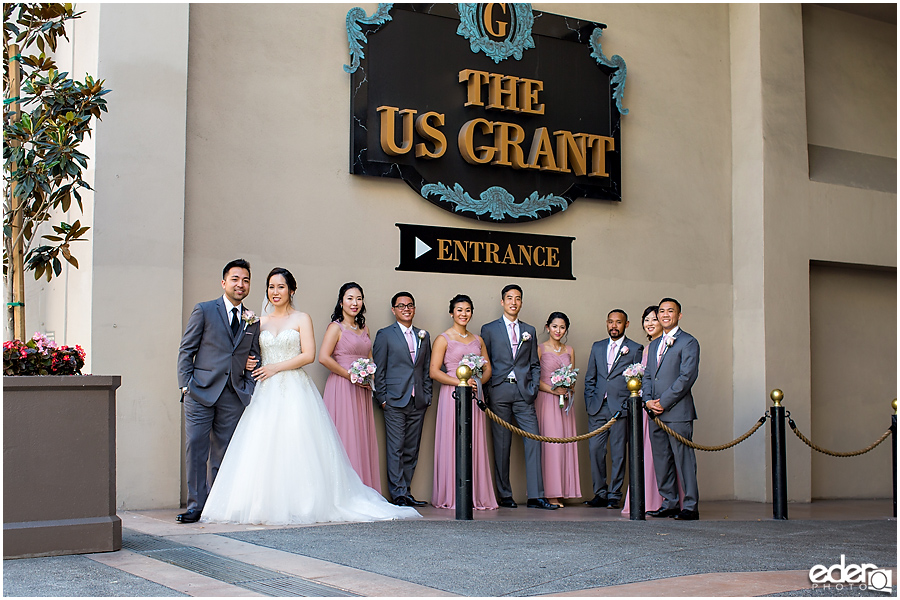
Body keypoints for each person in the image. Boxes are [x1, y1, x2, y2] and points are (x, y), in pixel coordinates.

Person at [200, 268, 420, 524]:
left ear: (292, 290)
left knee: (298, 444)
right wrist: (251, 362)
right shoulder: (258, 321)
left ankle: (302, 503)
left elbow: (309, 355)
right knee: (264, 447)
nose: (275, 292)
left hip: (294, 387)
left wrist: (275, 367)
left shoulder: (302, 318)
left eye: (281, 287)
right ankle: (263, 503)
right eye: (271, 287)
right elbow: (250, 353)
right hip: (265, 390)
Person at [176, 259, 261, 524]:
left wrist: (246, 385)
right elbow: (186, 349)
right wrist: (186, 385)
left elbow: (254, 356)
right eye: (235, 279)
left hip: (233, 395)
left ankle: (217, 504)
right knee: (197, 449)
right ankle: (196, 506)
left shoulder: (252, 320)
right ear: (224, 282)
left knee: (224, 452)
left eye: (245, 280)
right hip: (200, 392)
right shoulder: (204, 310)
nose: (241, 284)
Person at [481, 284, 557, 510]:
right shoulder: (489, 329)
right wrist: (489, 391)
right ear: (502, 302)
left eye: (518, 298)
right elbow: (486, 361)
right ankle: (505, 495)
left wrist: (533, 388)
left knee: (534, 440)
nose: (514, 302)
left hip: (524, 392)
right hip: (499, 390)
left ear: (521, 303)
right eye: (509, 298)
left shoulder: (529, 330)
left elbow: (534, 363)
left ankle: (536, 496)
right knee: (501, 444)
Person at [431, 294, 497, 510]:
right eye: (459, 310)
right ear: (452, 313)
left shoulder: (478, 340)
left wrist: (477, 382)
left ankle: (476, 494)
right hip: (453, 395)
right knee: (454, 440)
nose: (463, 314)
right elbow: (433, 371)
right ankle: (452, 494)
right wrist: (460, 382)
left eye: (467, 310)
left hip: (475, 395)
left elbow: (487, 368)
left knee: (474, 442)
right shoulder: (443, 339)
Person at [372, 292, 433, 507]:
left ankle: (407, 491)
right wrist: (383, 398)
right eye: (401, 305)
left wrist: (427, 396)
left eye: (409, 305)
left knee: (411, 449)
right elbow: (379, 368)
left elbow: (425, 369)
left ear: (414, 308)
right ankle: (397, 493)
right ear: (393, 310)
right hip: (395, 401)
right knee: (395, 447)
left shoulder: (423, 335)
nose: (406, 309)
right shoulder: (385, 335)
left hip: (418, 401)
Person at [622, 305, 683, 516]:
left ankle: (666, 500)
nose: (649, 323)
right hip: (646, 406)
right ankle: (654, 499)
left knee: (666, 454)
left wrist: (659, 401)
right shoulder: (647, 348)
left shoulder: (672, 345)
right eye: (646, 320)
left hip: (663, 407)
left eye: (654, 319)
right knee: (652, 453)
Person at [319, 282, 381, 492]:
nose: (355, 303)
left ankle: (363, 488)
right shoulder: (335, 327)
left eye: (359, 299)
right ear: (341, 302)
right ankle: (342, 490)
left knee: (361, 437)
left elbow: (369, 357)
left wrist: (369, 375)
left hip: (361, 388)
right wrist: (350, 375)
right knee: (345, 435)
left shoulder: (364, 329)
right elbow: (324, 358)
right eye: (350, 298)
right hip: (342, 387)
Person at [645, 297, 700, 520]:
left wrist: (663, 402)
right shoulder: (655, 344)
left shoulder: (688, 342)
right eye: (661, 311)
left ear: (679, 315)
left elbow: (687, 377)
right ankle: (669, 502)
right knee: (661, 459)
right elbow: (648, 375)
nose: (665, 314)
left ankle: (690, 506)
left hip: (677, 412)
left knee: (684, 460)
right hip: (654, 412)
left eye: (670, 311)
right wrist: (648, 400)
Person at [583, 309, 644, 509]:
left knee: (618, 454)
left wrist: (627, 406)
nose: (613, 326)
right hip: (598, 408)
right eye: (610, 322)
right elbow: (590, 378)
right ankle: (600, 493)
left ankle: (614, 495)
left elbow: (638, 380)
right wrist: (590, 402)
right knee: (595, 450)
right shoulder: (597, 346)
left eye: (618, 322)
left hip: (621, 409)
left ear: (626, 325)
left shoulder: (635, 348)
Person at [535, 312, 581, 508]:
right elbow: (534, 379)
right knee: (550, 445)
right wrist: (554, 390)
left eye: (562, 327)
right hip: (546, 400)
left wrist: (568, 387)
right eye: (554, 326)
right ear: (547, 327)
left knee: (564, 444)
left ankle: (563, 491)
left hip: (565, 403)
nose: (558, 331)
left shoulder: (569, 350)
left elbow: (573, 377)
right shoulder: (539, 349)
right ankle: (550, 493)